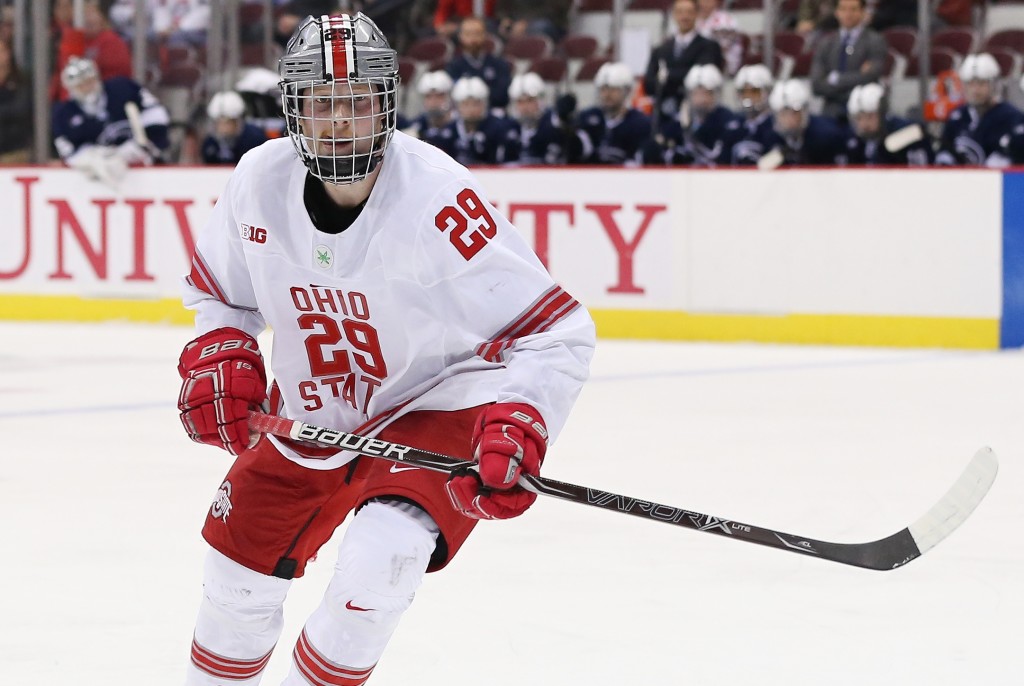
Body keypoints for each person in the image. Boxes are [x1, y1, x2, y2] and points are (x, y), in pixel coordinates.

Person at [176, 13, 595, 685]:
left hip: (437, 403)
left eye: (357, 101)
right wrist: (220, 348)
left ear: (387, 104)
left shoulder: (438, 197)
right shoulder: (256, 181)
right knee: (233, 588)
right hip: (312, 410)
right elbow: (222, 295)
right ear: (294, 109)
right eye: (322, 102)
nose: (340, 119)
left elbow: (554, 329)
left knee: (381, 563)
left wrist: (522, 417)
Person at [52, 57, 170, 186]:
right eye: (81, 86)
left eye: (89, 81)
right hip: (101, 181)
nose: (87, 88)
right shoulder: (63, 115)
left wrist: (145, 144)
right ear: (71, 89)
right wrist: (94, 161)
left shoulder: (124, 88)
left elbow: (157, 115)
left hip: (149, 168)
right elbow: (70, 153)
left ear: (97, 78)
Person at [643, 63, 740, 167]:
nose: (701, 100)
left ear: (716, 94)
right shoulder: (679, 121)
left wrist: (689, 133)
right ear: (688, 94)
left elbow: (722, 157)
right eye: (696, 93)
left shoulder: (727, 120)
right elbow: (659, 150)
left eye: (706, 93)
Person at [642, 0, 723, 121]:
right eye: (680, 12)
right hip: (664, 116)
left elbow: (701, 78)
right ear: (673, 15)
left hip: (699, 115)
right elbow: (649, 84)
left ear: (697, 14)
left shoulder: (709, 46)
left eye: (689, 12)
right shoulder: (661, 49)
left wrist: (666, 77)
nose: (684, 16)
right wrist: (682, 75)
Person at [936, 53, 1022, 167]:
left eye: (981, 84)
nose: (975, 90)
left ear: (994, 85)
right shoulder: (957, 116)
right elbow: (944, 150)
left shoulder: (1012, 117)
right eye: (970, 84)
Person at [809, 0, 886, 121]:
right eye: (843, 9)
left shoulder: (875, 41)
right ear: (836, 12)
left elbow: (870, 77)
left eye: (853, 9)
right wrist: (857, 76)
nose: (848, 14)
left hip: (864, 112)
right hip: (831, 111)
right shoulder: (825, 43)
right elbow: (816, 85)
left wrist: (835, 79)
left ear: (862, 12)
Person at [50, 0, 133, 102]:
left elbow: (116, 74)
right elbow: (67, 70)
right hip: (74, 100)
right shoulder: (72, 38)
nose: (89, 19)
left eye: (93, 14)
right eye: (85, 15)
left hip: (106, 99)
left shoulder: (111, 40)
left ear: (101, 17)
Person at [761, 78, 850, 166]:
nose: (789, 119)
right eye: (783, 113)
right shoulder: (767, 135)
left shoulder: (827, 135)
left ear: (804, 112)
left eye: (794, 112)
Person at [578, 61, 651, 165]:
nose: (607, 94)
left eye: (613, 89)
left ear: (627, 91)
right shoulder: (587, 118)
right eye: (603, 89)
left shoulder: (640, 123)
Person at [845, 82, 932, 166]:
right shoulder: (858, 141)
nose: (864, 124)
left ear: (882, 113)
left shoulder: (907, 133)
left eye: (870, 116)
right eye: (859, 118)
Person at [444, 75, 521, 164]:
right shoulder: (449, 130)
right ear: (457, 106)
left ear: (485, 104)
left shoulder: (497, 128)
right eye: (466, 104)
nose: (471, 109)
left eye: (476, 104)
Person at [445, 15, 512, 111]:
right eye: (468, 34)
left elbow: (502, 96)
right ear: (460, 36)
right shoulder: (452, 67)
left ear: (485, 35)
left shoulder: (499, 65)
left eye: (477, 33)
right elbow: (451, 97)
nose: (473, 39)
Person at [200, 90, 268, 165]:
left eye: (228, 122)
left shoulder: (254, 139)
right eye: (219, 123)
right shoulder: (210, 143)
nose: (224, 129)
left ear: (237, 121)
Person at [730, 63, 777, 165]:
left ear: (767, 93)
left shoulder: (776, 126)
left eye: (754, 91)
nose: (748, 97)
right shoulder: (732, 126)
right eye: (744, 92)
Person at [407, 69, 458, 156]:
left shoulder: (460, 125)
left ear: (449, 97)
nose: (433, 102)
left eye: (439, 96)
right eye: (428, 97)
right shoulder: (417, 127)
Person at [0, 35, 32, 164]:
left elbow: (21, 109)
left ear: (8, 53)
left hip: (14, 151)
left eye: (1, 50)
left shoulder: (21, 80)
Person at [506, 71, 546, 160]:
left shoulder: (552, 126)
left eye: (530, 100)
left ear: (540, 101)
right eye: (520, 102)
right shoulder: (506, 129)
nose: (525, 107)